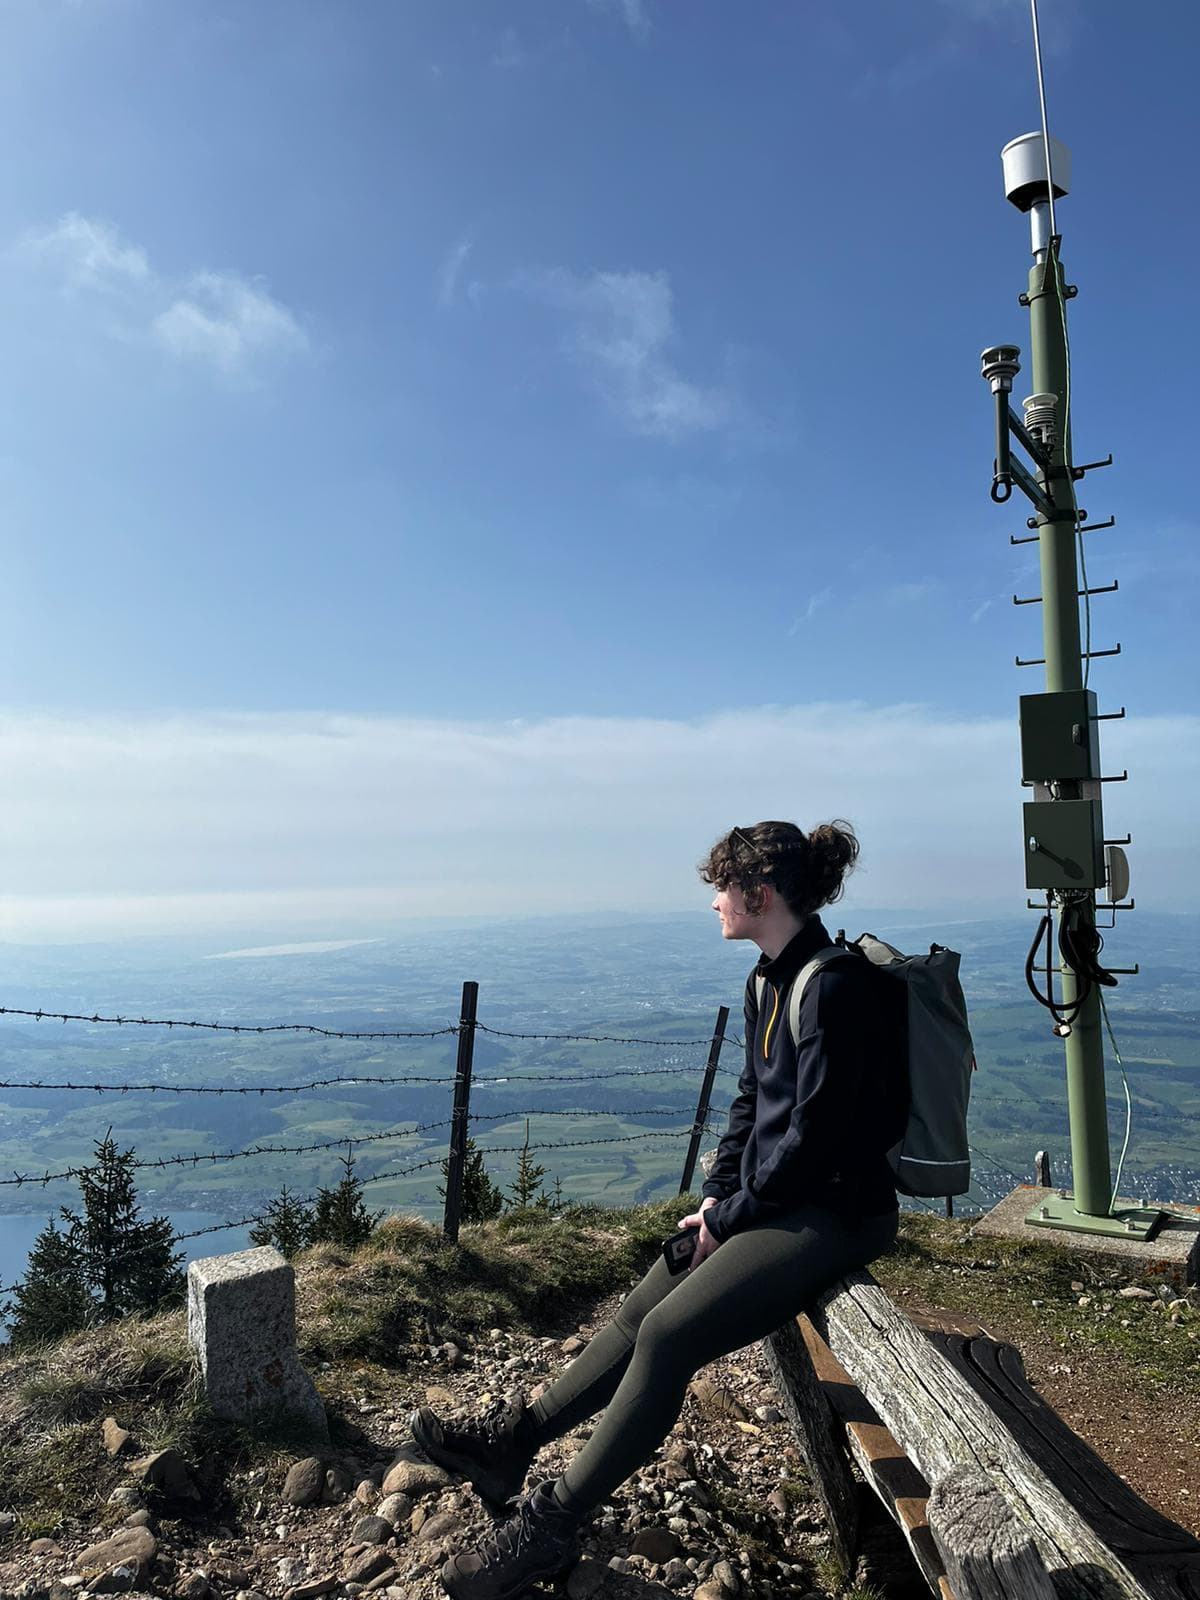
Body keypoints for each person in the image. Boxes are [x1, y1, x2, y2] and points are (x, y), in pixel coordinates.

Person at [413, 819, 906, 1600]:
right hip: (775, 1201)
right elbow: (753, 1100)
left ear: (760, 894)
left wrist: (733, 1215)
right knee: (642, 1307)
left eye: (722, 886)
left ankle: (551, 1524)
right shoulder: (765, 978)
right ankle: (516, 1441)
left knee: (671, 1337)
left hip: (836, 1215)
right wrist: (716, 1196)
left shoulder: (834, 986)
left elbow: (814, 1138)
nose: (713, 901)